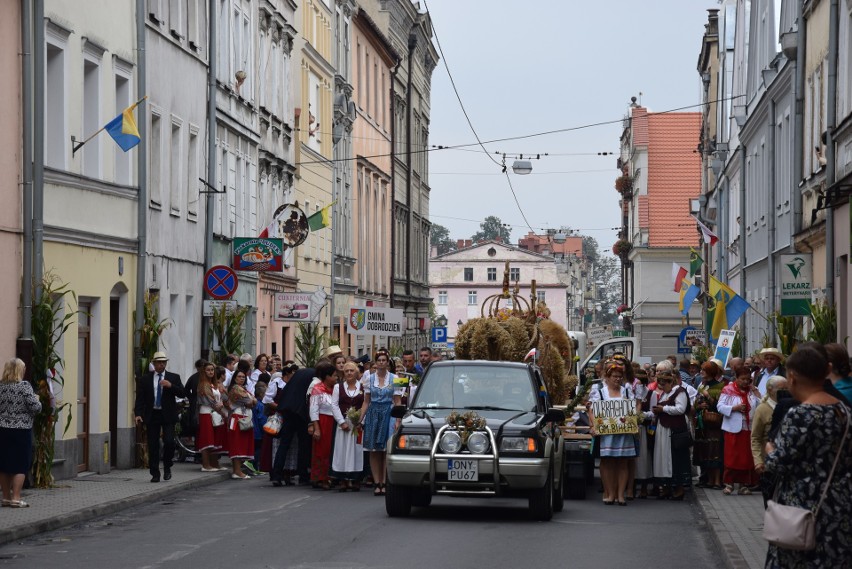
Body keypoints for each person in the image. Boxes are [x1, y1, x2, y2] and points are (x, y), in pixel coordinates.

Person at [763, 347, 852, 569]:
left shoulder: (800, 414)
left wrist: (769, 450)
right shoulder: (843, 411)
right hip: (839, 506)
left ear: (791, 377)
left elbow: (778, 463)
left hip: (801, 510)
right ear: (827, 371)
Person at [588, 359, 637, 505]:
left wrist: (634, 424)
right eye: (614, 376)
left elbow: (632, 410)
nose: (617, 379)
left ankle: (620, 494)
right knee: (607, 461)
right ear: (607, 378)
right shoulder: (600, 392)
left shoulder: (627, 391)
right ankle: (609, 493)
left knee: (623, 462)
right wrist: (593, 426)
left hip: (624, 432)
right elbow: (592, 410)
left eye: (619, 377)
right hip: (607, 433)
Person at [134, 352, 186, 483]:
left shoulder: (173, 377)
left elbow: (183, 392)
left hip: (167, 414)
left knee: (169, 442)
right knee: (153, 445)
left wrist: (171, 386)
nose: (162, 364)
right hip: (153, 414)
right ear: (154, 363)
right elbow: (140, 398)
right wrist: (138, 414)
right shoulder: (146, 379)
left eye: (164, 362)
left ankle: (167, 466)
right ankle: (155, 473)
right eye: (159, 362)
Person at [0, 359, 41, 507]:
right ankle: (16, 498)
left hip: (2, 429)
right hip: (21, 430)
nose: (24, 371)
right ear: (19, 370)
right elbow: (35, 407)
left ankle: (5, 497)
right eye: (23, 368)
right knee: (20, 464)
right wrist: (39, 402)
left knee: (4, 463)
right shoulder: (24, 386)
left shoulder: (1, 386)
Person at [359, 351, 401, 496]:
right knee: (374, 450)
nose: (382, 362)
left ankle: (385, 481)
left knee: (385, 449)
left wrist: (398, 420)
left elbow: (397, 401)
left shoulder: (395, 378)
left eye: (384, 360)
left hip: (388, 413)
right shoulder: (369, 379)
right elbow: (366, 401)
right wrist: (359, 419)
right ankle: (377, 482)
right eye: (379, 360)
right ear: (376, 363)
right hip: (373, 413)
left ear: (388, 362)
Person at [718, 366, 761, 495]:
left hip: (748, 428)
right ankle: (729, 484)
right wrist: (734, 408)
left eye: (748, 379)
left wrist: (756, 392)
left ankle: (744, 485)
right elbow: (719, 406)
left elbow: (761, 404)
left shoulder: (752, 391)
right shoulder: (727, 390)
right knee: (732, 457)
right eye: (742, 379)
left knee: (746, 458)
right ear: (736, 378)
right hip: (733, 428)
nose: (745, 382)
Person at [650, 369, 691, 500]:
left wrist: (663, 409)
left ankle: (678, 488)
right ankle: (666, 487)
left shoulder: (680, 392)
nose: (662, 387)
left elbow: (680, 409)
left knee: (674, 459)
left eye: (664, 384)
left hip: (674, 430)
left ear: (670, 382)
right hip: (663, 429)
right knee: (663, 458)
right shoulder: (665, 394)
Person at [271, 367, 315, 487]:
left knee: (284, 444)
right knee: (303, 444)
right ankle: (303, 475)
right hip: (301, 413)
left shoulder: (299, 374)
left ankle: (277, 475)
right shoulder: (313, 376)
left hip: (288, 411)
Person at [308, 363, 346, 489]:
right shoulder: (317, 389)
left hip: (334, 422)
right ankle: (320, 477)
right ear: (327, 377)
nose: (336, 378)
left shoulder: (336, 389)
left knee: (332, 450)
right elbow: (313, 410)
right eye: (334, 376)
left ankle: (331, 476)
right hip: (323, 421)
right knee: (322, 451)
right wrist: (316, 427)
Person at [750, 375, 786, 505]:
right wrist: (758, 461)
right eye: (781, 389)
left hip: (783, 460)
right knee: (770, 500)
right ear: (770, 390)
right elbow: (755, 437)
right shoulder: (762, 409)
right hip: (767, 462)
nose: (784, 392)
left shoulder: (788, 406)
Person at [332, 362, 365, 491]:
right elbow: (334, 405)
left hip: (357, 424)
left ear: (356, 372)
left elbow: (366, 404)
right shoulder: (337, 387)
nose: (349, 373)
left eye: (352, 371)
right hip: (344, 424)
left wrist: (361, 421)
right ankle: (343, 479)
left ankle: (355, 478)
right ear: (343, 373)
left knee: (357, 450)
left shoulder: (362, 387)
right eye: (347, 371)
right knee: (342, 450)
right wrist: (341, 422)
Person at [694, 360, 726, 489]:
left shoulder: (720, 386)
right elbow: (695, 404)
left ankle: (717, 481)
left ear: (710, 372)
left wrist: (708, 397)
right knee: (705, 451)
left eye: (704, 370)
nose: (701, 372)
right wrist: (699, 405)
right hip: (702, 424)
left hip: (714, 423)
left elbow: (720, 405)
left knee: (715, 451)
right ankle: (708, 479)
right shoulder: (701, 386)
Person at [195, 361, 226, 472]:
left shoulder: (215, 384)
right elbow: (210, 401)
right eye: (208, 370)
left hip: (215, 413)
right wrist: (221, 410)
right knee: (207, 439)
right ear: (204, 371)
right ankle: (205, 465)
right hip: (207, 413)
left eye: (212, 370)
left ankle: (214, 463)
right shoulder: (203, 385)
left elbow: (221, 398)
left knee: (215, 439)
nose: (210, 372)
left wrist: (221, 403)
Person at [226, 370, 256, 480]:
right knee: (237, 445)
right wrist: (252, 400)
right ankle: (237, 472)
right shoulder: (235, 388)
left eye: (243, 377)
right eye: (239, 376)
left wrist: (252, 400)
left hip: (243, 418)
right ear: (235, 378)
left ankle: (237, 471)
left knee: (241, 445)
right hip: (237, 418)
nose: (242, 378)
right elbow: (249, 400)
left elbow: (255, 401)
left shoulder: (244, 389)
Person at [182, 358, 205, 439]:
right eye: (201, 366)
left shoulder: (210, 377)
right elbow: (186, 389)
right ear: (198, 368)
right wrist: (191, 398)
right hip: (196, 402)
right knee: (196, 422)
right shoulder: (194, 378)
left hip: (208, 403)